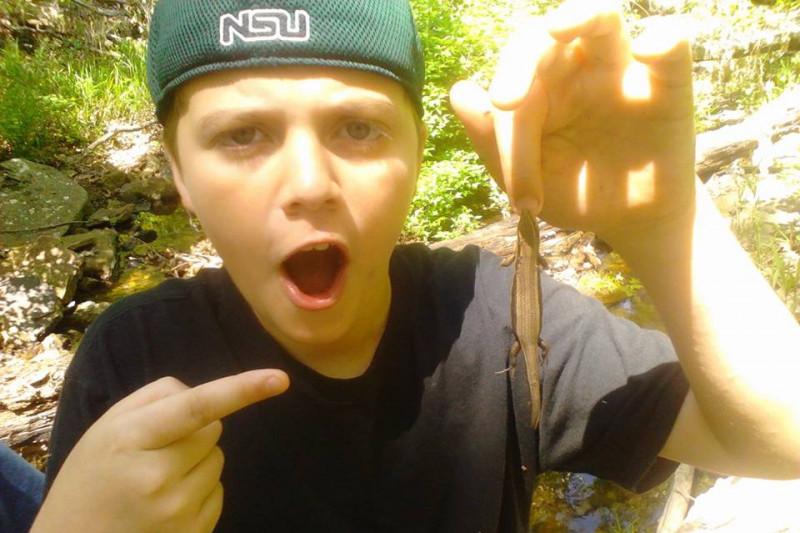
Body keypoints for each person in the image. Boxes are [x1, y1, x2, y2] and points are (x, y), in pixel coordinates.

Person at [31, 0, 800, 531]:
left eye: (358, 128)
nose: (309, 184)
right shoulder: (131, 359)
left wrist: (664, 219)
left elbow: (780, 439)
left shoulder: (497, 316)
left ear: (417, 151)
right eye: (242, 136)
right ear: (179, 173)